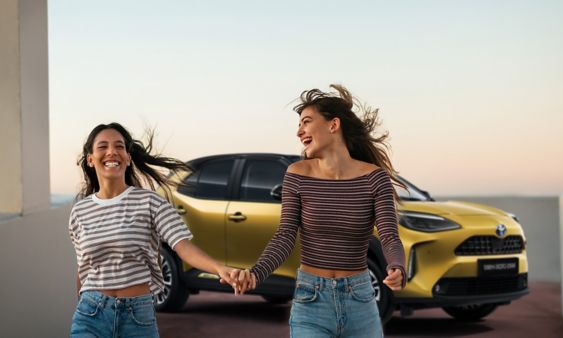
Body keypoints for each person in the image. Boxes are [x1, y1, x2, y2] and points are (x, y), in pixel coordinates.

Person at [234, 85, 407, 337]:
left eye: (306, 121)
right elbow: (284, 236)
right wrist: (256, 273)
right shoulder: (297, 174)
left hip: (360, 299)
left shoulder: (374, 178)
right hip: (311, 300)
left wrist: (397, 266)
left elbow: (390, 235)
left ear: (333, 125)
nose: (299, 131)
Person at [68, 122, 240, 338]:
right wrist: (81, 305)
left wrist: (219, 268)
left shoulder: (150, 202)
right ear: (90, 159)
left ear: (128, 158)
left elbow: (183, 247)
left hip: (136, 316)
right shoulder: (80, 211)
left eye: (119, 146)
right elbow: (83, 268)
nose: (112, 151)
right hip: (90, 314)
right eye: (102, 146)